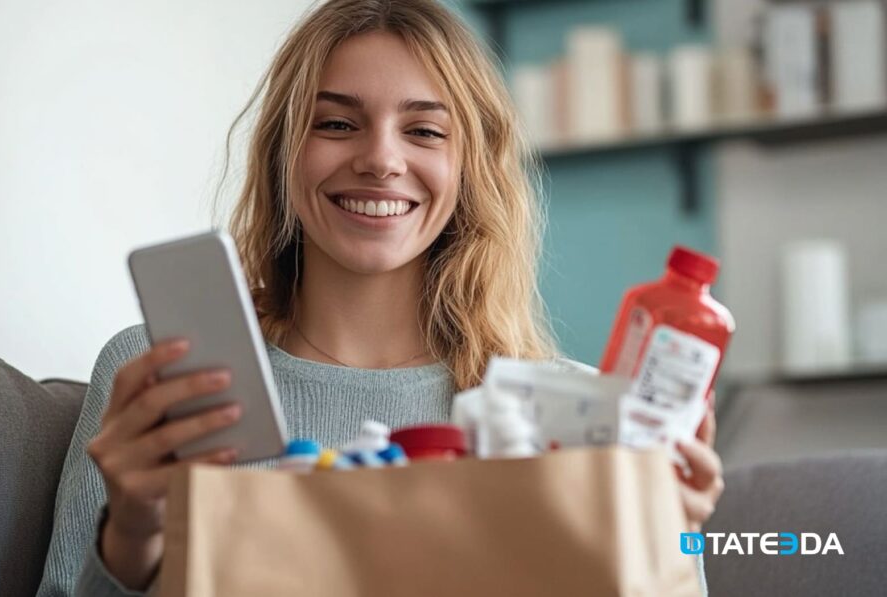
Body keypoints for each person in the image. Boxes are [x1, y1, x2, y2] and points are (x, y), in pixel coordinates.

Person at [35, 1, 723, 595]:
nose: (380, 159)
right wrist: (129, 531)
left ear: (469, 167)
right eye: (336, 124)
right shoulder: (163, 374)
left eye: (424, 130)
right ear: (285, 152)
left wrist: (665, 542)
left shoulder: (578, 416)